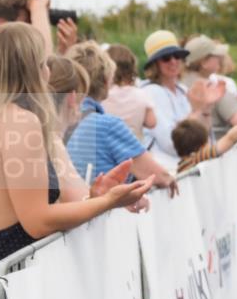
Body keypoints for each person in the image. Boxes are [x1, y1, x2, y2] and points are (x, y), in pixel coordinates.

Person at [0, 24, 152, 299]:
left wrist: (96, 198)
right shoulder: (20, 121)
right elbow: (37, 220)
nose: (47, 72)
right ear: (30, 69)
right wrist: (108, 202)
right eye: (43, 63)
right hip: (16, 289)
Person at [65, 41, 178, 194]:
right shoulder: (108, 125)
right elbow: (157, 175)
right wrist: (170, 179)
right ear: (106, 81)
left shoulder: (55, 122)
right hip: (100, 212)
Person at [140, 30, 225, 167]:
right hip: (168, 171)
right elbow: (171, 144)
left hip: (191, 166)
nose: (173, 61)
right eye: (166, 57)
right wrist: (197, 112)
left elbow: (204, 137)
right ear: (155, 64)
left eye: (177, 55)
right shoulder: (150, 93)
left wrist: (206, 109)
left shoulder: (183, 90)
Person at [182, 35, 237, 138]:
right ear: (204, 62)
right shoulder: (213, 90)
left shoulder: (177, 86)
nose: (220, 59)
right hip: (215, 151)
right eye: (216, 56)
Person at [103, 44, 156, 140]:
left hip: (108, 149)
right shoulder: (141, 94)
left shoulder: (102, 96)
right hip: (134, 149)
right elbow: (151, 122)